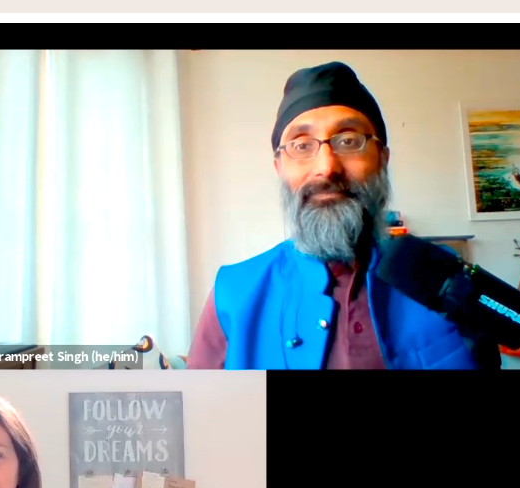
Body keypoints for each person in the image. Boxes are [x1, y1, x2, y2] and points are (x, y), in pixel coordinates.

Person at [186, 61, 500, 370]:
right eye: (301, 145)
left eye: (348, 140)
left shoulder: (440, 275)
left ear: (382, 158)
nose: (327, 167)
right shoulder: (234, 292)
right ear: (279, 168)